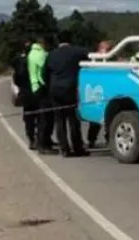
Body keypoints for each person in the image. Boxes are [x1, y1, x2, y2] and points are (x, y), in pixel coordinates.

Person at [44, 29, 89, 157]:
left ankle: (64, 148)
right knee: (73, 120)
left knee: (59, 120)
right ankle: (77, 147)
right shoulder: (78, 52)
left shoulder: (51, 55)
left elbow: (45, 73)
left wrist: (49, 88)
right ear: (70, 39)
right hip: (71, 89)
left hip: (55, 90)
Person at [27, 36, 55, 153]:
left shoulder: (31, 53)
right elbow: (44, 72)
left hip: (34, 86)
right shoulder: (41, 55)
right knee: (46, 118)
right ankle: (43, 145)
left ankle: (44, 141)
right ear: (44, 44)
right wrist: (48, 85)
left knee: (42, 117)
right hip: (41, 87)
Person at [85, 40, 113, 149]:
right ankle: (91, 140)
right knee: (95, 120)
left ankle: (109, 139)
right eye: (106, 49)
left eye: (110, 49)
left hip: (109, 93)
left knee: (110, 119)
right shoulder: (94, 60)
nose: (108, 51)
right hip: (96, 93)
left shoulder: (113, 61)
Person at [11, 41, 38, 147]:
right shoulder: (34, 61)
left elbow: (16, 78)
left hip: (26, 93)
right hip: (36, 91)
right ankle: (39, 139)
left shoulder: (20, 62)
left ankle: (32, 140)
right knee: (39, 117)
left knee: (29, 119)